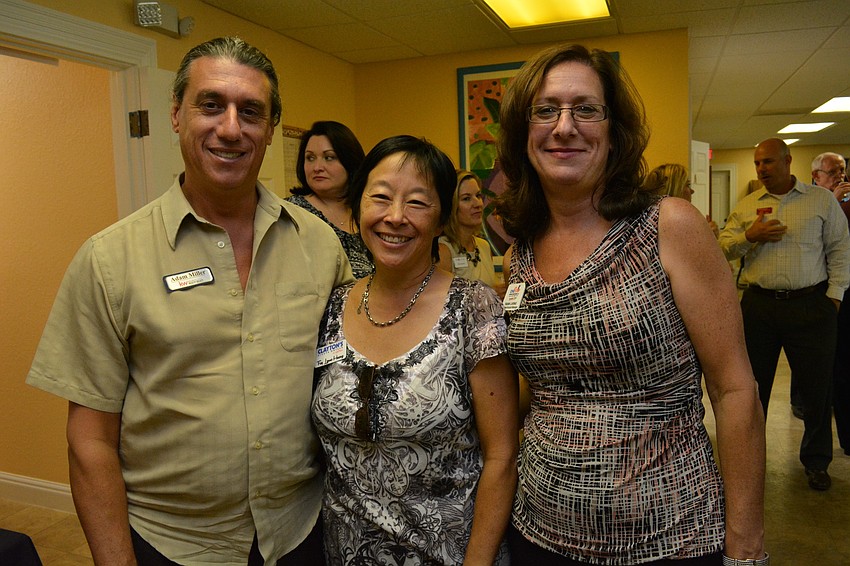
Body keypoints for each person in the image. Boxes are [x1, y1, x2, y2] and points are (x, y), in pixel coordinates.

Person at [26, 37, 353, 565]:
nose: (230, 128)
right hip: (170, 545)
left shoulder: (319, 246)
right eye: (210, 105)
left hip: (301, 533)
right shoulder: (110, 260)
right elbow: (89, 441)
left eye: (251, 112)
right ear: (177, 114)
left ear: (270, 130)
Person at [495, 43, 767, 564]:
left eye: (586, 109)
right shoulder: (518, 257)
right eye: (546, 110)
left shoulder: (668, 226)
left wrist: (747, 547)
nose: (564, 126)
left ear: (614, 131)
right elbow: (541, 388)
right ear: (523, 133)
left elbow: (734, 390)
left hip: (668, 537)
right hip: (537, 533)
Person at [311, 135, 519, 565]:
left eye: (418, 203)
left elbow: (501, 456)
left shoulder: (473, 308)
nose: (395, 217)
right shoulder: (331, 304)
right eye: (380, 197)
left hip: (450, 555)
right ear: (359, 206)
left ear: (441, 218)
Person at [718, 139, 850, 491]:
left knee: (816, 388)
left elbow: (840, 249)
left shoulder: (820, 200)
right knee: (752, 388)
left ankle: (817, 462)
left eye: (769, 162)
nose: (762, 169)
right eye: (758, 163)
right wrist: (751, 235)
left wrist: (833, 299)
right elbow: (721, 249)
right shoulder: (747, 206)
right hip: (760, 307)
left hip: (811, 305)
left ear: (788, 161)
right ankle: (749, 461)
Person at [287, 120, 372, 278]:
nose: (317, 167)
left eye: (329, 157)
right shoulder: (292, 213)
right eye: (310, 158)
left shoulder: (367, 210)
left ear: (350, 161)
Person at [811, 151, 850, 455]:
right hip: (820, 292)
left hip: (842, 287)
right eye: (832, 171)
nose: (839, 176)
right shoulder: (812, 203)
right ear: (817, 176)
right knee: (823, 363)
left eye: (842, 170)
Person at [437, 169, 504, 295]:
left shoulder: (484, 246)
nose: (478, 204)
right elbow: (442, 305)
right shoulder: (444, 250)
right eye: (467, 198)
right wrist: (489, 295)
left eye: (478, 196)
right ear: (452, 205)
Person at [645, 162, 719, 236]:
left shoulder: (647, 221)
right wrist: (705, 236)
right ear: (673, 189)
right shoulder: (678, 224)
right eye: (687, 185)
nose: (692, 191)